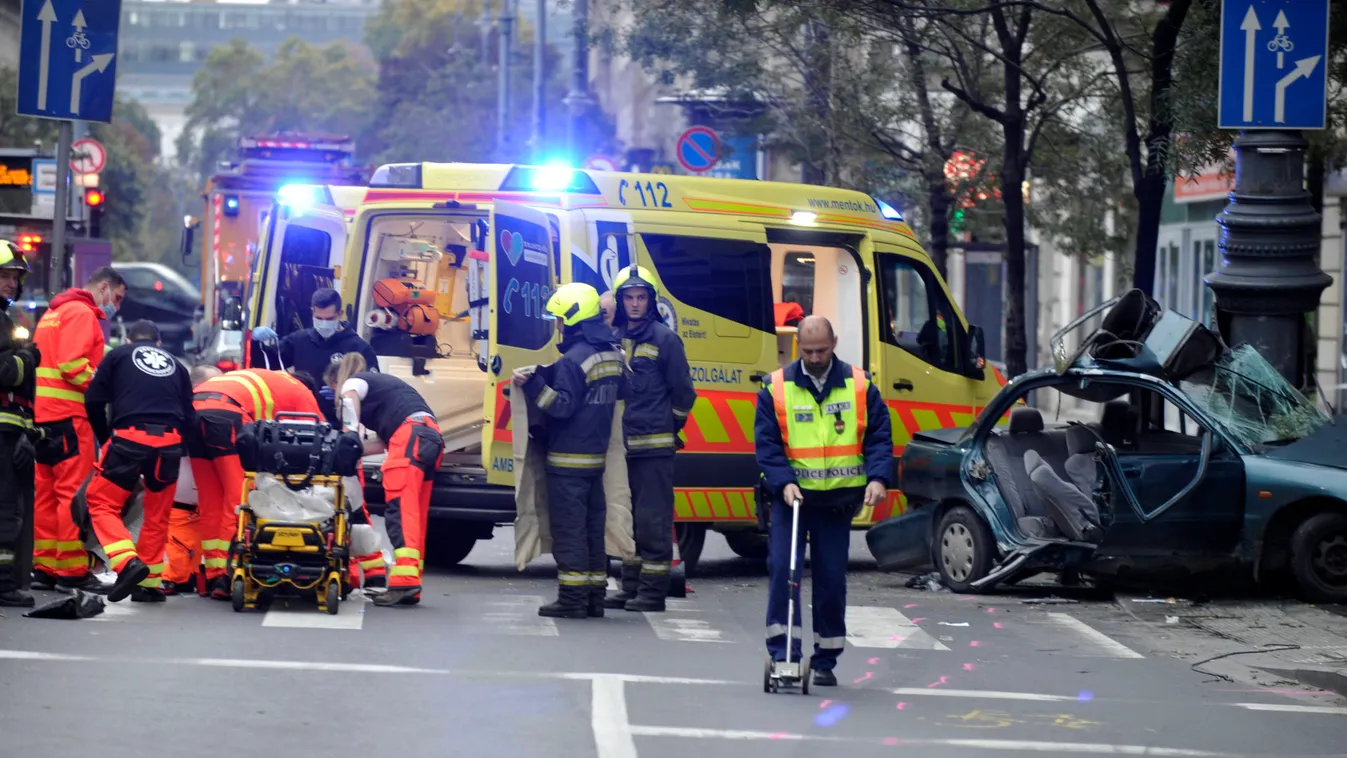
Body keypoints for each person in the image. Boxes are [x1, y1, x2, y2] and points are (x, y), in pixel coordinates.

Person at [755, 315, 893, 687]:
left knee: (831, 580)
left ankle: (825, 659)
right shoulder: (776, 387)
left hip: (837, 502)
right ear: (798, 345)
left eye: (822, 349)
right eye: (808, 350)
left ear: (834, 342)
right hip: (793, 501)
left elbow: (879, 436)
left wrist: (879, 478)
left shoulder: (861, 386)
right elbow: (767, 445)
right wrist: (783, 482)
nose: (815, 357)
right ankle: (784, 655)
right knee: (784, 572)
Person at [512, 282, 626, 619]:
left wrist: (533, 384)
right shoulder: (610, 354)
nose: (558, 325)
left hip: (567, 463)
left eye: (560, 319)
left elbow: (560, 406)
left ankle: (572, 599)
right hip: (596, 460)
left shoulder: (573, 359)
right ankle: (593, 596)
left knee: (570, 532)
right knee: (592, 531)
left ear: (573, 319)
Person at [602, 266, 696, 613]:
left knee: (652, 520)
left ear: (651, 300)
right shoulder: (612, 337)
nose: (636, 304)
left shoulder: (664, 339)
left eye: (641, 297)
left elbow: (684, 393)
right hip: (620, 447)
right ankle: (631, 587)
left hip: (653, 449)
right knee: (627, 519)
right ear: (621, 300)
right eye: (629, 297)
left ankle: (653, 592)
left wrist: (669, 426)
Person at [83, 320, 195, 602]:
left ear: (129, 340)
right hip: (170, 443)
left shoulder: (118, 355)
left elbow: (93, 399)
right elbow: (189, 415)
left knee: (101, 502)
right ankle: (149, 585)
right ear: (158, 343)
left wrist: (105, 436)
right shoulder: (177, 364)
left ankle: (126, 562)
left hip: (129, 438)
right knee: (157, 516)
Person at [189, 368, 324, 598]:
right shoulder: (302, 393)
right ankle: (227, 572)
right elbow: (320, 438)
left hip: (192, 410)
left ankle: (214, 573)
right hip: (225, 416)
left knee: (210, 499)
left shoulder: (268, 378)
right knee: (238, 497)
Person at [32, 266, 126, 591]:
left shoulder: (51, 314)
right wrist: (103, 390)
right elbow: (72, 365)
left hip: (42, 417)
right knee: (72, 495)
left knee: (45, 494)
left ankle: (44, 567)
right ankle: (71, 571)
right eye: (117, 297)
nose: (116, 305)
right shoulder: (83, 313)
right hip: (70, 416)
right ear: (103, 287)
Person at [325, 353, 443, 607]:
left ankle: (405, 582)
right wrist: (355, 449)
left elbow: (349, 402)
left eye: (332, 387)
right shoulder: (384, 387)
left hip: (409, 437)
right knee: (414, 513)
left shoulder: (352, 383)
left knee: (400, 510)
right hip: (428, 435)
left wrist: (348, 436)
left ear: (336, 381)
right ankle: (410, 580)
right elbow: (381, 442)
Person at [250, 288, 380, 424]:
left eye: (329, 319)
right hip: (304, 419)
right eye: (319, 318)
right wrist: (255, 342)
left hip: (341, 423)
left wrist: (343, 394)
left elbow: (373, 389)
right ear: (312, 313)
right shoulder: (299, 340)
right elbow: (267, 363)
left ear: (340, 314)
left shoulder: (360, 348)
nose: (323, 323)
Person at [0, 241, 39, 607]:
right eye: (4, 276)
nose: (11, 283)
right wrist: (28, 358)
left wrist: (32, 431)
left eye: (14, 277)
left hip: (11, 432)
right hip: (2, 434)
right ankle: (2, 585)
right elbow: (5, 374)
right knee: (4, 508)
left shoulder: (6, 319)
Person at [161, 364, 223, 595]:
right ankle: (170, 576)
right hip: (181, 502)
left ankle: (199, 575)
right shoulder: (181, 410)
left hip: (203, 508)